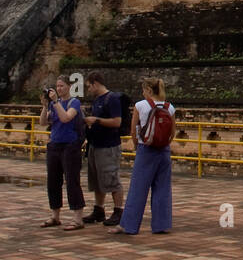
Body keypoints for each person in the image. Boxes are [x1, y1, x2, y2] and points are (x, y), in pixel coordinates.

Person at [110, 77, 175, 236]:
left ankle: (129, 225)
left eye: (144, 90)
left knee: (138, 189)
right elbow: (172, 132)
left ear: (149, 90)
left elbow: (133, 130)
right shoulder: (169, 107)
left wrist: (136, 145)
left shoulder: (141, 105)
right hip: (164, 150)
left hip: (146, 149)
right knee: (162, 188)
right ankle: (161, 224)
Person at [39, 75, 85, 230]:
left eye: (62, 86)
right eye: (57, 86)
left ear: (69, 87)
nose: (59, 89)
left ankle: (78, 217)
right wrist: (46, 105)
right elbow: (43, 122)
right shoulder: (54, 104)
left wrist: (56, 103)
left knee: (72, 181)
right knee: (53, 181)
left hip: (70, 146)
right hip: (55, 144)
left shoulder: (74, 103)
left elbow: (66, 118)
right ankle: (55, 215)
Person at [82, 72, 124, 227]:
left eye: (89, 86)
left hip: (108, 145)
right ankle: (99, 209)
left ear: (95, 83)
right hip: (95, 144)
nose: (89, 90)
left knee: (111, 178)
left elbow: (117, 122)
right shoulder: (97, 100)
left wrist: (97, 120)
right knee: (97, 179)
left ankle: (118, 210)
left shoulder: (111, 99)